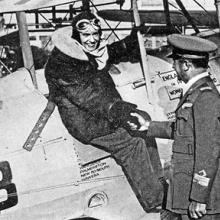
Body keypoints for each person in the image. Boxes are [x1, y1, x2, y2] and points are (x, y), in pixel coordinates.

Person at [44, 11, 164, 212]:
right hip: (86, 121)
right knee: (131, 142)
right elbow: (86, 95)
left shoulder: (84, 49)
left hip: (103, 112)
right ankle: (156, 200)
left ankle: (158, 180)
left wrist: (129, 42)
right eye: (86, 36)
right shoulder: (63, 63)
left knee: (145, 125)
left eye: (95, 34)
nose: (92, 40)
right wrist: (117, 109)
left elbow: (108, 52)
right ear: (76, 36)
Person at [128, 34, 220, 219]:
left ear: (186, 65)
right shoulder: (195, 92)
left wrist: (199, 197)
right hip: (185, 191)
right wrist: (148, 126)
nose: (173, 67)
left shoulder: (206, 97)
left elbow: (209, 150)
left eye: (176, 62)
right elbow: (185, 130)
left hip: (201, 198)